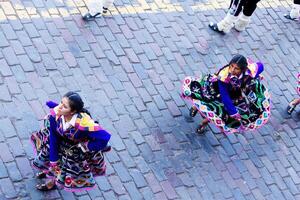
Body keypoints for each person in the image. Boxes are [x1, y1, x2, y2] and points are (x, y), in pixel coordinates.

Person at [31, 92, 111, 191]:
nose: (59, 107)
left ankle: (52, 183)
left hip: (72, 152)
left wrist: (87, 146)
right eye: (61, 103)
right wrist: (53, 159)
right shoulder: (55, 115)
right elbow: (54, 137)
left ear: (73, 111)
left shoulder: (83, 124)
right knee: (51, 161)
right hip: (57, 144)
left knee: (61, 169)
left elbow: (104, 137)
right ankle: (48, 171)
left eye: (64, 106)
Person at [181, 54, 271, 134]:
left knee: (220, 113)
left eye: (236, 68)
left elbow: (260, 66)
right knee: (210, 103)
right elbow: (225, 96)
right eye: (231, 66)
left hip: (235, 93)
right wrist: (233, 112)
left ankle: (204, 122)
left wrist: (255, 76)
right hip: (217, 91)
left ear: (243, 69)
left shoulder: (250, 70)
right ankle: (196, 109)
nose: (232, 70)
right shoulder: (224, 76)